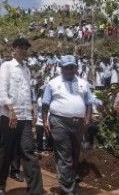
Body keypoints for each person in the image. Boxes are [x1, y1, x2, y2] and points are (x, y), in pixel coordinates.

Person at [0, 38, 43, 195]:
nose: (23, 50)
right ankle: (0, 185)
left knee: (28, 151)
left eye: (25, 47)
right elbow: (1, 91)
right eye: (20, 47)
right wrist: (10, 110)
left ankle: (36, 191)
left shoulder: (26, 70)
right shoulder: (6, 66)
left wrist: (32, 110)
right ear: (14, 49)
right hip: (10, 117)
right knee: (6, 151)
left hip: (25, 118)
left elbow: (27, 94)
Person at [42, 55, 92, 195]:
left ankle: (68, 179)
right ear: (61, 69)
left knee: (75, 153)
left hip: (79, 124)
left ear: (76, 68)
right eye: (66, 67)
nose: (69, 70)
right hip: (59, 122)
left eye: (72, 67)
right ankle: (68, 190)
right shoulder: (53, 83)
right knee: (65, 155)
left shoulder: (83, 83)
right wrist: (45, 121)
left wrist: (88, 119)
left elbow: (89, 103)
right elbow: (45, 104)